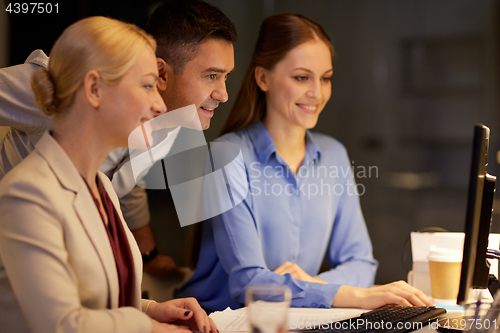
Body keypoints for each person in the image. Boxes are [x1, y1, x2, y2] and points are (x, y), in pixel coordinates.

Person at [178, 14, 433, 311]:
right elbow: (249, 284)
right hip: (222, 323)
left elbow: (361, 262)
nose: (317, 92)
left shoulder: (333, 154)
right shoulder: (226, 157)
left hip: (295, 318)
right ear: (263, 78)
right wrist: (353, 295)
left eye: (325, 78)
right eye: (301, 77)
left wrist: (313, 286)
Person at [0, 16, 218, 333]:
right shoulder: (25, 195)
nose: (160, 104)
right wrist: (151, 330)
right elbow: (62, 324)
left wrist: (152, 310)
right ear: (94, 89)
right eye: (147, 85)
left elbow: (90, 297)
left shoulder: (102, 185)